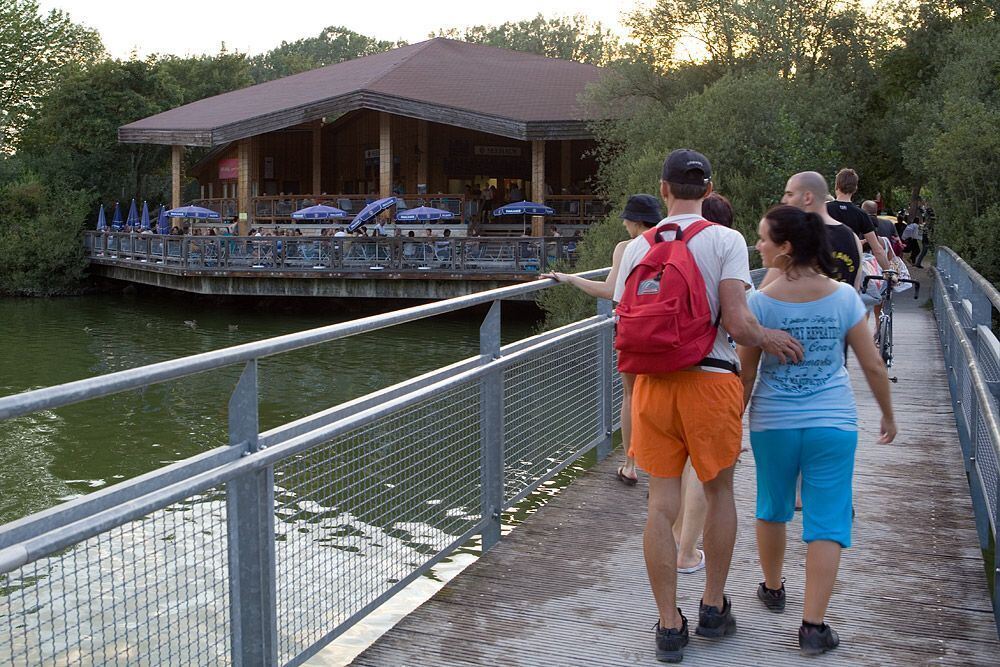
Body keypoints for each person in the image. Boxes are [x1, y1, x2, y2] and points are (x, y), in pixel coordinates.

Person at [615, 150, 803, 663]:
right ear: (708, 188)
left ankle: (669, 626)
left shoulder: (637, 246)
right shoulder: (725, 240)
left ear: (664, 188)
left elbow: (624, 316)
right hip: (711, 381)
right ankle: (713, 608)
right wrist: (770, 338)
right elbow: (739, 324)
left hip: (654, 385)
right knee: (719, 493)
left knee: (660, 506)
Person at [737, 204, 896, 656]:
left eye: (764, 239)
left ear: (785, 249)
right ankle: (813, 626)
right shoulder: (845, 297)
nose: (759, 245)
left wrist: (733, 424)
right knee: (827, 519)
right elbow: (871, 364)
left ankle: (772, 588)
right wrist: (888, 414)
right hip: (834, 421)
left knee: (771, 505)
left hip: (773, 422)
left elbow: (746, 376)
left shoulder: (759, 303)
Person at [777, 172, 863, 291]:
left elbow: (771, 291)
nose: (784, 200)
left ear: (807, 197)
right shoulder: (853, 237)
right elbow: (855, 289)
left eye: (790, 194)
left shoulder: (796, 236)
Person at [826, 169, 891, 273]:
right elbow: (877, 249)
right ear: (855, 189)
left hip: (825, 265)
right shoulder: (861, 214)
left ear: (836, 186)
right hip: (848, 265)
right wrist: (888, 271)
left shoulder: (823, 209)